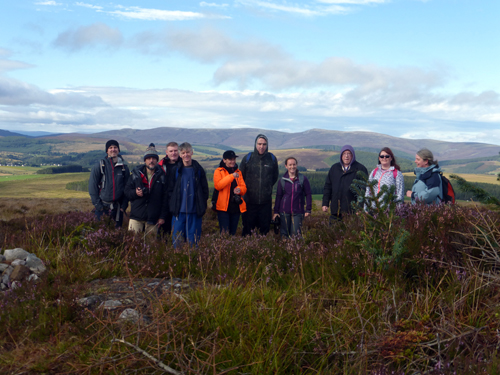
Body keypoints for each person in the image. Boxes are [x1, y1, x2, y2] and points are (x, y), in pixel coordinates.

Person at [168, 142, 209, 247]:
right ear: (180, 154)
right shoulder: (176, 170)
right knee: (177, 242)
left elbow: (205, 191)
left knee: (194, 243)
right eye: (183, 153)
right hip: (178, 212)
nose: (186, 155)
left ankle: (193, 262)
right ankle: (178, 261)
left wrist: (202, 206)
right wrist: (172, 205)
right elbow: (170, 190)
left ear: (192, 152)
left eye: (188, 152)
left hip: (194, 212)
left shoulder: (198, 170)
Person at [124, 143, 169, 235]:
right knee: (133, 244)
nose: (151, 161)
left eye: (154, 158)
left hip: (153, 218)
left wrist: (162, 217)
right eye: (148, 159)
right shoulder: (136, 175)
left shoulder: (162, 176)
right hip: (136, 216)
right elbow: (127, 192)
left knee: (151, 245)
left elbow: (165, 198)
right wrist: (135, 193)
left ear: (157, 160)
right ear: (145, 160)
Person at [239, 134, 279, 236]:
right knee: (248, 230)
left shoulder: (272, 159)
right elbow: (240, 177)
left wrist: (266, 188)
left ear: (267, 145)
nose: (262, 146)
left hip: (265, 203)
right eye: (259, 144)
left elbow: (274, 177)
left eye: (264, 144)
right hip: (249, 201)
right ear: (255, 144)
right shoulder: (248, 158)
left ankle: (262, 250)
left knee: (264, 230)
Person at [89, 139, 129, 228]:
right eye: (110, 148)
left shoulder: (124, 168)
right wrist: (98, 206)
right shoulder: (99, 166)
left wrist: (124, 205)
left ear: (118, 150)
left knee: (117, 235)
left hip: (118, 208)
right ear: (107, 151)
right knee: (100, 235)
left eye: (115, 147)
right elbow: (92, 187)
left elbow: (127, 188)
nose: (113, 149)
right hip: (102, 207)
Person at [322, 145, 368, 221]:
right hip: (335, 210)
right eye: (344, 153)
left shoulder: (360, 169)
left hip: (352, 211)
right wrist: (325, 203)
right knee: (333, 231)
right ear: (341, 156)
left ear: (352, 155)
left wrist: (360, 206)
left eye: (349, 153)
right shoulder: (334, 168)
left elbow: (364, 189)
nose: (346, 156)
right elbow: (328, 187)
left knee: (350, 232)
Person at [273, 157, 312, 238]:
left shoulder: (302, 179)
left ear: (296, 165)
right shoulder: (282, 180)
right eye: (290, 165)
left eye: (294, 164)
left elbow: (308, 194)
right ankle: (285, 250)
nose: (292, 167)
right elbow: (279, 196)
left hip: (298, 212)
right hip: (284, 212)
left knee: (296, 236)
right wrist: (276, 212)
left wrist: (308, 209)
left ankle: (295, 250)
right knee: (284, 235)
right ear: (286, 166)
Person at [213, 150, 247, 235]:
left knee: (233, 233)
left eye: (234, 159)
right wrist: (231, 176)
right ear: (224, 160)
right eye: (230, 159)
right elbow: (218, 186)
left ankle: (231, 248)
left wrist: (239, 190)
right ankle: (224, 248)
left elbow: (244, 188)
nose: (233, 161)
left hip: (236, 207)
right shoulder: (218, 171)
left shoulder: (238, 172)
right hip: (223, 209)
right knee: (224, 233)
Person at [158, 142, 180, 237]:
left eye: (175, 150)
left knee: (178, 232)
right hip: (163, 203)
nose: (173, 153)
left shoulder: (184, 165)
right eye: (171, 151)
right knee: (163, 233)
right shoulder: (160, 166)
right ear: (167, 152)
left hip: (179, 203)